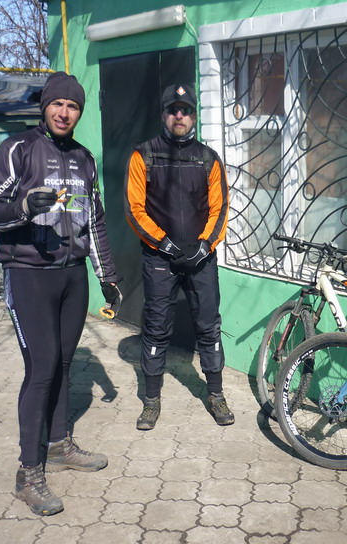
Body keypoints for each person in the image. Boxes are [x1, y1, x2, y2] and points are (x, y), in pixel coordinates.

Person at [0, 71, 121, 516]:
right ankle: (28, 473)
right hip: (28, 275)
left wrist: (107, 276)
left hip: (71, 275)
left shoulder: (84, 159)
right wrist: (23, 208)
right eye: (58, 104)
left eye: (73, 106)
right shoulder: (18, 149)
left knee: (62, 364)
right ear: (45, 107)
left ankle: (59, 446)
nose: (64, 112)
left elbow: (93, 220)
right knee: (41, 370)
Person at [124, 83, 233, 431]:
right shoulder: (144, 155)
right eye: (173, 110)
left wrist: (206, 244)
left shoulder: (208, 158)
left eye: (186, 110)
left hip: (201, 257)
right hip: (160, 258)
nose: (179, 116)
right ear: (164, 114)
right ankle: (151, 400)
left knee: (209, 326)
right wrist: (163, 243)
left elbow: (220, 208)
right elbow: (134, 209)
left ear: (194, 116)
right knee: (156, 328)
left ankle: (216, 394)